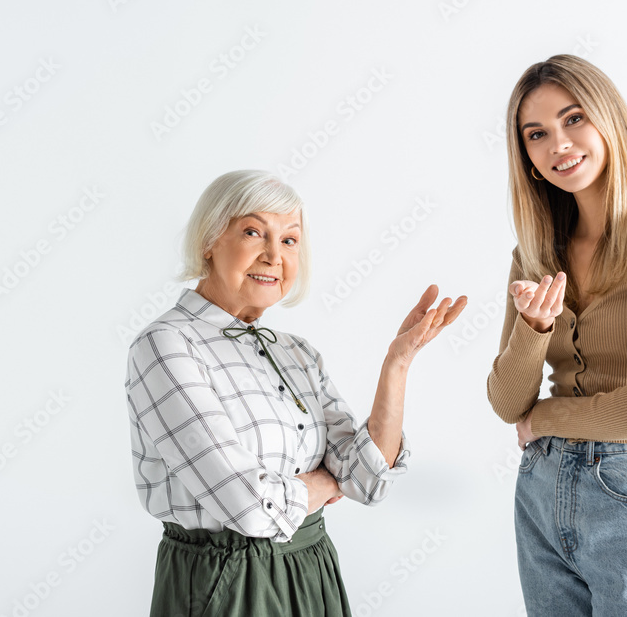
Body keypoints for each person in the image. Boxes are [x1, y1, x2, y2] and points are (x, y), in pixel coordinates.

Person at [126, 170, 466, 616]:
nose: (273, 255)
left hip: (312, 565)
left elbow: (366, 479)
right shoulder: (166, 344)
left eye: (289, 240)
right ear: (209, 241)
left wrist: (397, 364)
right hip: (223, 576)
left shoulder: (296, 354)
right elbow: (248, 507)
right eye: (253, 232)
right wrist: (324, 483)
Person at [486, 54, 627, 616]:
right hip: (540, 487)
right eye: (536, 134)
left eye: (574, 118)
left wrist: (544, 419)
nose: (558, 142)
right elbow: (505, 401)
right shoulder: (534, 254)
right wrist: (535, 328)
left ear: (609, 120)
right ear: (529, 160)